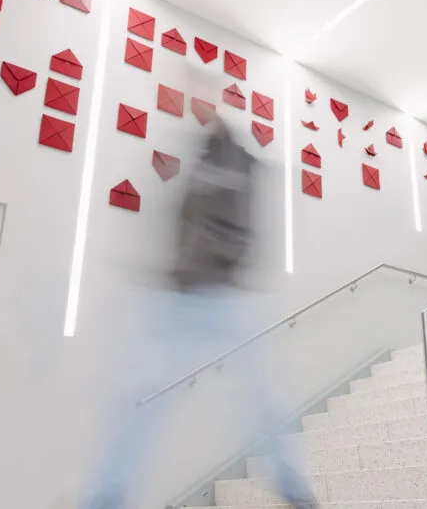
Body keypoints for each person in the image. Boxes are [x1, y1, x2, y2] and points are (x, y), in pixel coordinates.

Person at [81, 115, 317, 509]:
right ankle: (106, 499)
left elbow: (233, 229)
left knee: (263, 399)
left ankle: (294, 490)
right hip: (183, 295)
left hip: (225, 297)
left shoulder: (236, 167)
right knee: (141, 397)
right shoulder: (197, 168)